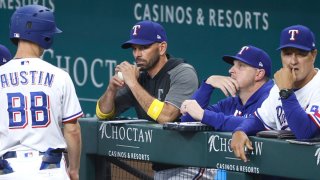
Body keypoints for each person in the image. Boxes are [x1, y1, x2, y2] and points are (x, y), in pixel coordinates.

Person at [95, 20, 198, 177]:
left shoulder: (183, 73)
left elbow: (166, 116)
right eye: (134, 49)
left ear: (162, 48)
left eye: (144, 48)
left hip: (193, 165)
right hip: (162, 167)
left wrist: (132, 83)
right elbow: (103, 113)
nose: (137, 54)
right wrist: (111, 89)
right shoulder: (140, 79)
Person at [0, 5, 83, 180]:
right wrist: (74, 170)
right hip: (49, 170)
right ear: (45, 35)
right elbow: (72, 130)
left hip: (7, 171)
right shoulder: (60, 76)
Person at [178, 45, 273, 179]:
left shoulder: (273, 97)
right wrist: (208, 85)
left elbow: (257, 122)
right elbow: (187, 121)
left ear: (259, 74)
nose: (231, 70)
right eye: (233, 65)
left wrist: (204, 115)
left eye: (240, 66)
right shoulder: (232, 102)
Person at [231, 25, 320, 162]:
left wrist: (286, 91)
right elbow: (259, 119)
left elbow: (305, 132)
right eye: (287, 53)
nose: (293, 61)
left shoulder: (314, 86)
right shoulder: (277, 89)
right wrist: (240, 130)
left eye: (301, 54)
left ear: (313, 55)